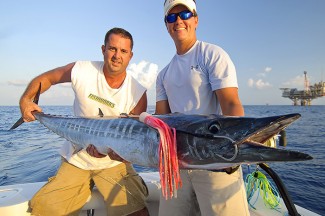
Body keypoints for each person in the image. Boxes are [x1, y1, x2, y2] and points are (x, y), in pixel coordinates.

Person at [20, 27, 149, 216]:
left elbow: (131, 143)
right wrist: (26, 100)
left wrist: (116, 155)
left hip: (113, 165)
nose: (116, 56)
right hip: (76, 159)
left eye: (123, 51)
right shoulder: (82, 69)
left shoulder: (137, 93)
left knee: (137, 212)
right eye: (112, 49)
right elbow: (47, 78)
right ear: (103, 49)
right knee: (43, 210)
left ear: (131, 55)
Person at [156, 1, 250, 215]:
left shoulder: (213, 55)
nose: (178, 21)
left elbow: (231, 104)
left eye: (185, 14)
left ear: (196, 20)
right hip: (176, 168)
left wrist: (233, 154)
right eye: (171, 17)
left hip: (215, 164)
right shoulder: (163, 75)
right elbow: (161, 122)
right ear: (166, 26)